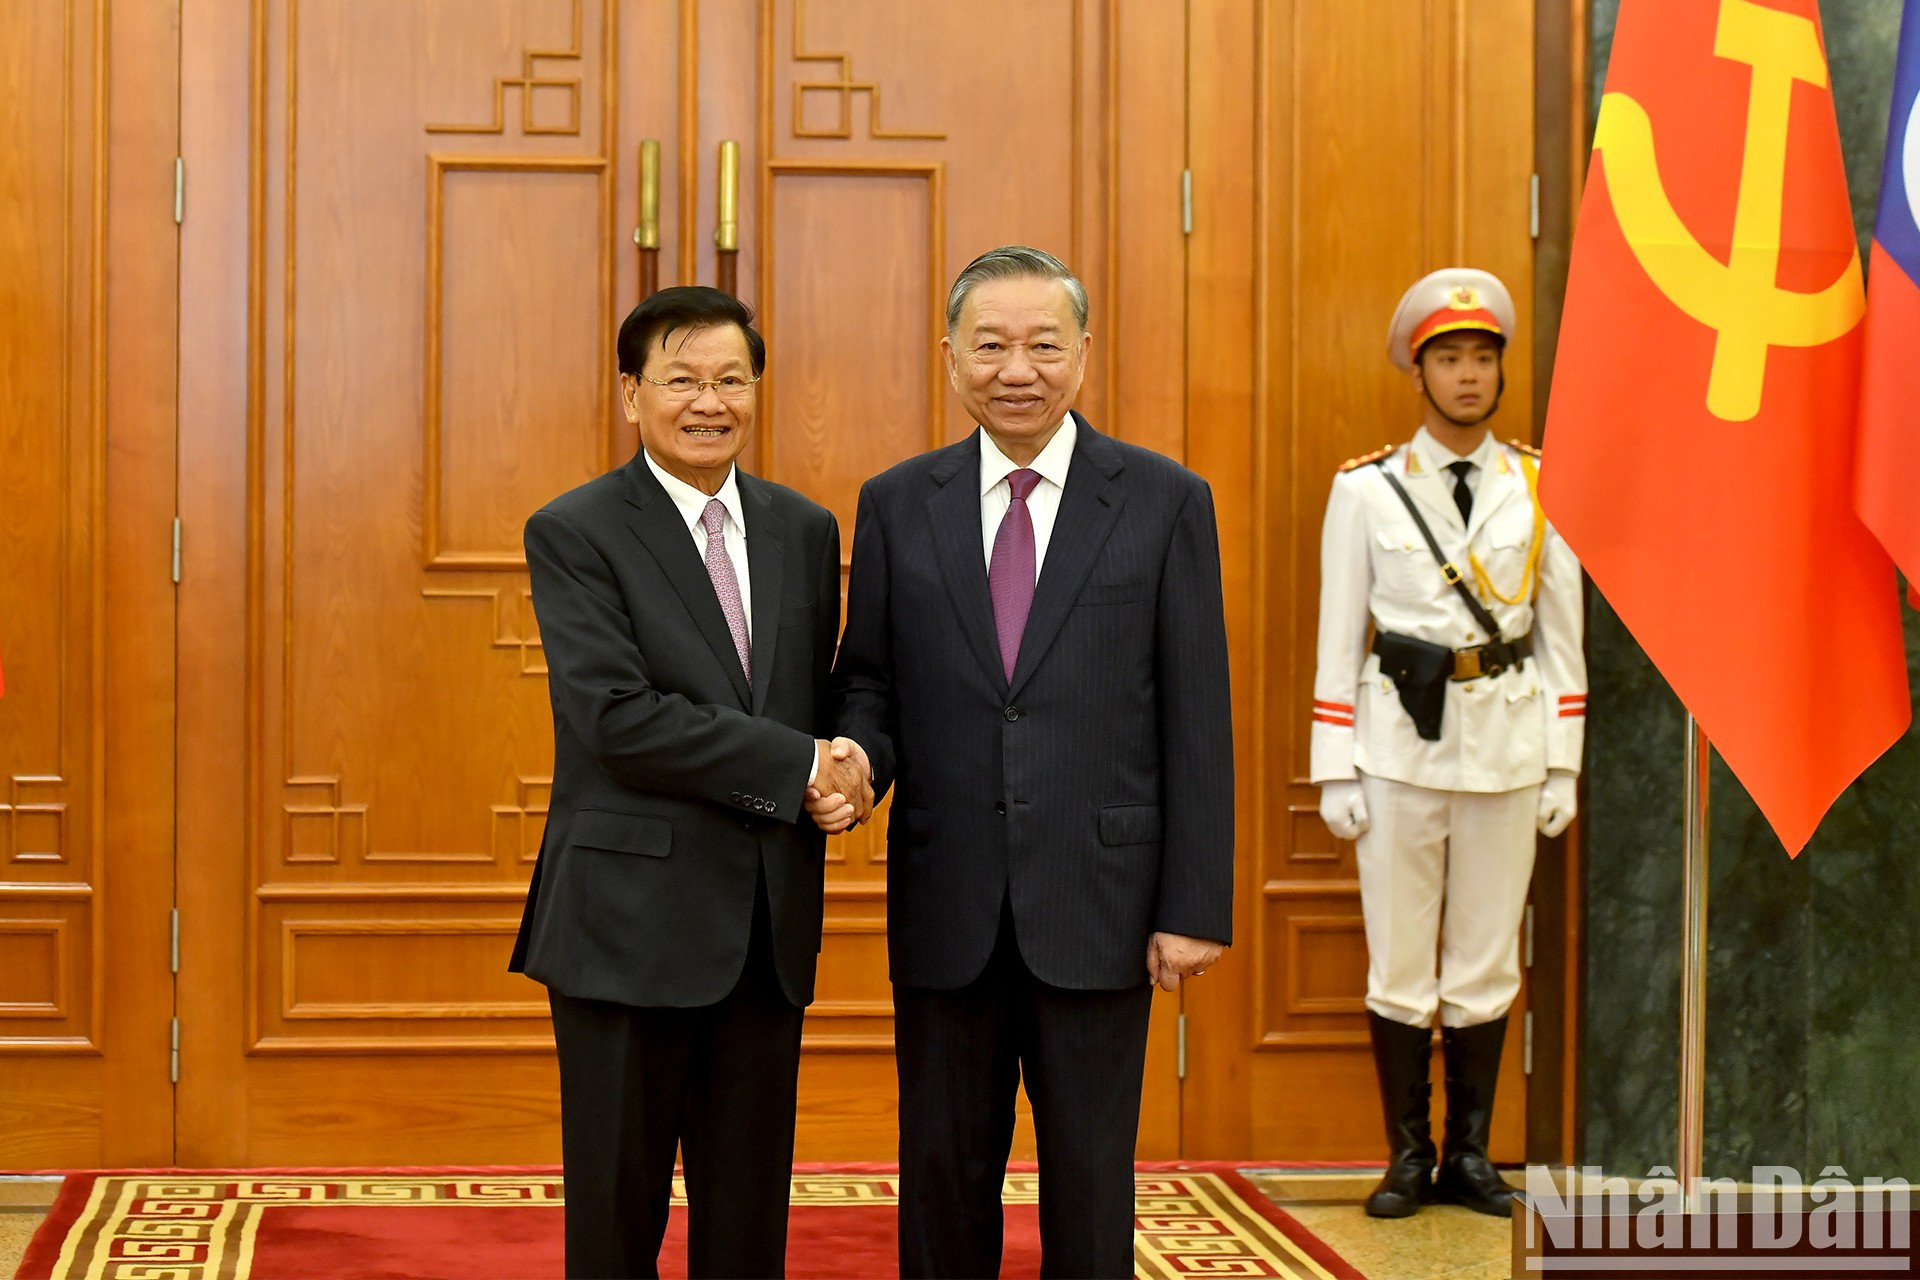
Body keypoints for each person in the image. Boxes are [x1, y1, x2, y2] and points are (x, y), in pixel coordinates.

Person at [815, 246, 1235, 1278]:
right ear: (950, 355)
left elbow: (1196, 712)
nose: (1018, 368)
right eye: (991, 344)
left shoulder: (1163, 500)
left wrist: (1194, 903)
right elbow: (869, 678)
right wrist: (859, 759)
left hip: (1101, 901)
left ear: (1083, 353)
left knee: (1091, 1184)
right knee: (943, 1175)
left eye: (1044, 344)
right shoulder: (898, 501)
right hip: (947, 897)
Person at [509, 286, 872, 1279]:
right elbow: (615, 717)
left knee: (748, 1219)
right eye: (680, 379)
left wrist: (852, 766)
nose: (707, 401)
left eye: (729, 378)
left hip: (764, 921)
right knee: (617, 1218)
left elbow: (823, 689)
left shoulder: (802, 527)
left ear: (756, 388)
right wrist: (797, 763)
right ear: (631, 394)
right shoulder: (576, 529)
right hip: (625, 923)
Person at [1310, 268, 1586, 1219]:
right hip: (1395, 753)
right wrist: (1333, 767)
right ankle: (1406, 1156)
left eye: (1483, 358)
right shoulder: (1369, 491)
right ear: (1417, 373)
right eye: (1449, 360)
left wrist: (1563, 759)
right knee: (1398, 960)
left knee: (1484, 961)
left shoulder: (1542, 485)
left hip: (1508, 748)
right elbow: (1338, 634)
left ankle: (1471, 1157)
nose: (1468, 377)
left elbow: (1560, 636)